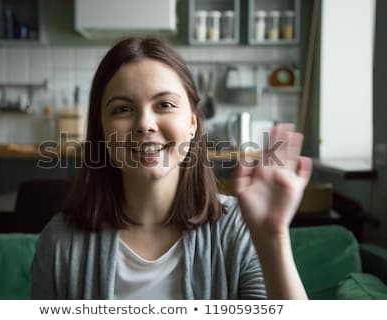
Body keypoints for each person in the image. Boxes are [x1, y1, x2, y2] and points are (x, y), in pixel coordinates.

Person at [31, 37, 312, 300]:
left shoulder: (239, 227)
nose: (145, 124)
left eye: (164, 105)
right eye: (122, 109)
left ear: (192, 124)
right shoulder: (59, 240)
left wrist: (272, 238)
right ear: (101, 129)